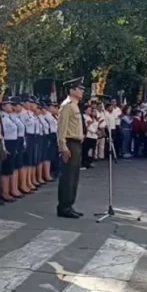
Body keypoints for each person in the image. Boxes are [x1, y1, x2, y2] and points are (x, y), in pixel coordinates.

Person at [56, 77, 85, 219]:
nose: (82, 91)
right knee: (67, 176)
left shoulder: (75, 105)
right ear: (72, 90)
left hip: (76, 143)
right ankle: (64, 206)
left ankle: (69, 204)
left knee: (74, 176)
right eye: (79, 89)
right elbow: (62, 128)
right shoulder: (67, 105)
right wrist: (63, 147)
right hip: (69, 143)